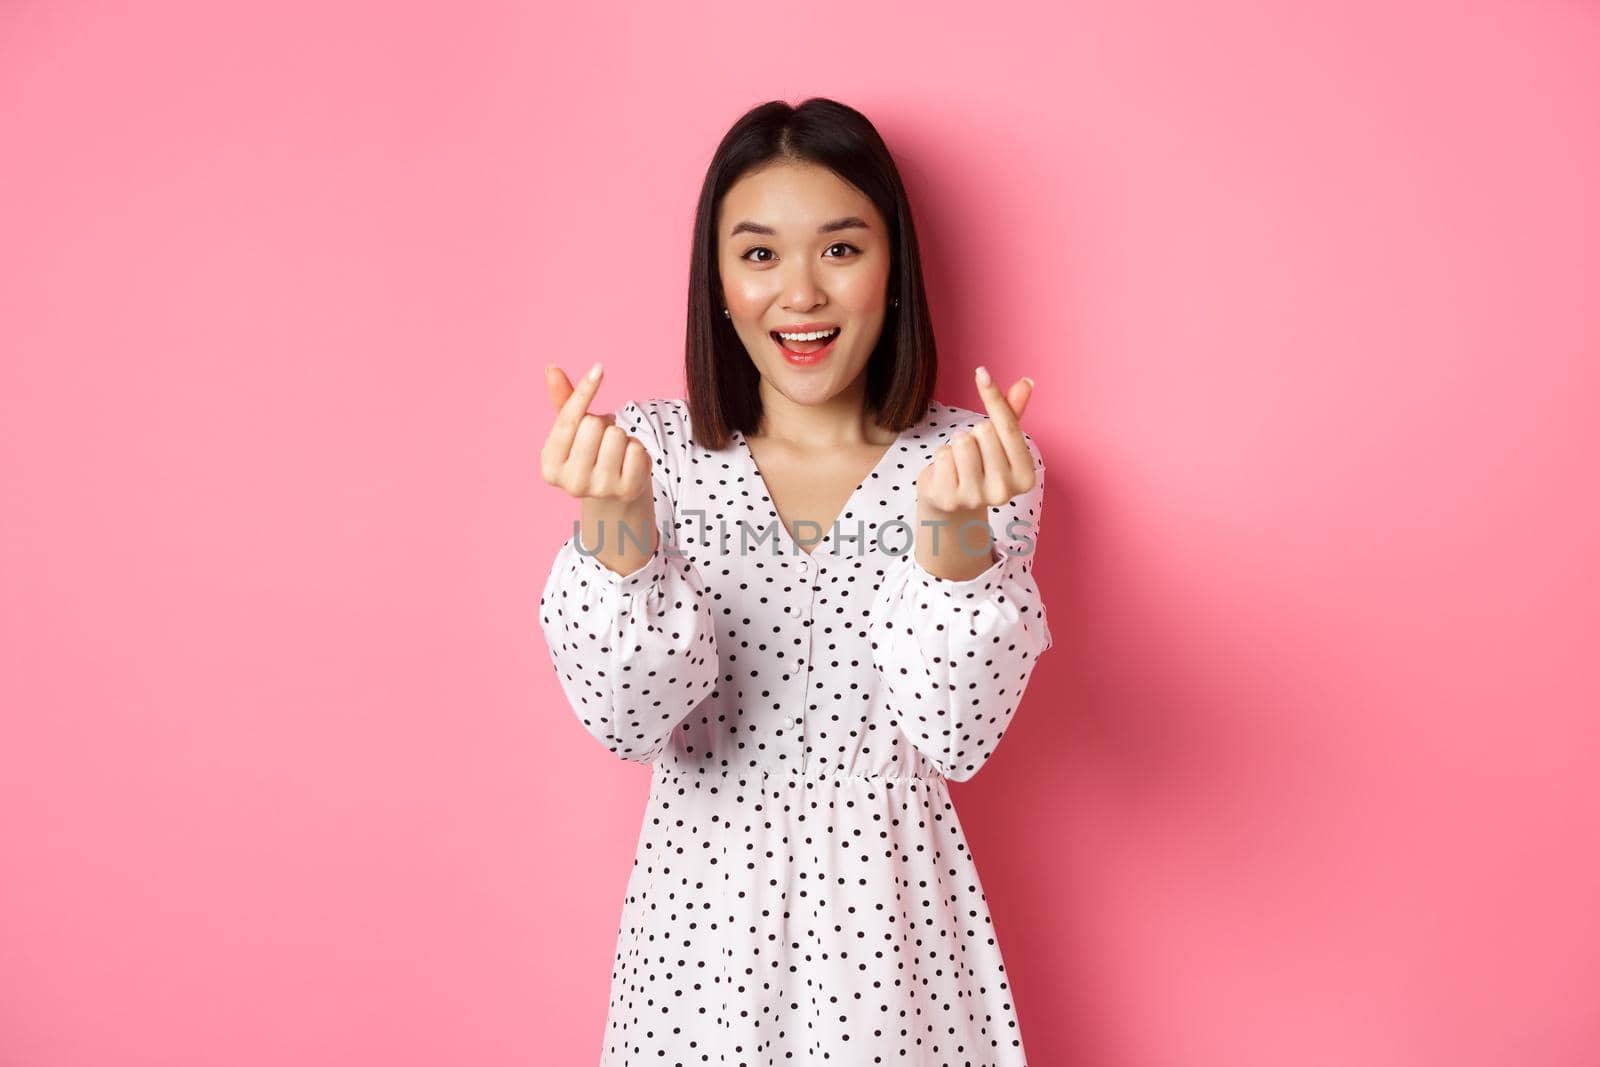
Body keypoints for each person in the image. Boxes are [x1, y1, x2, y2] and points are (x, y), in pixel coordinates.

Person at [538, 96, 1053, 1066]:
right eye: (760, 253)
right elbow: (627, 722)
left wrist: (951, 542)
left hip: (891, 940)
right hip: (698, 944)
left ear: (893, 269)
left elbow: (957, 735)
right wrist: (617, 535)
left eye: (842, 249)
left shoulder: (974, 462)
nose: (801, 293)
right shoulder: (651, 453)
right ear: (719, 281)